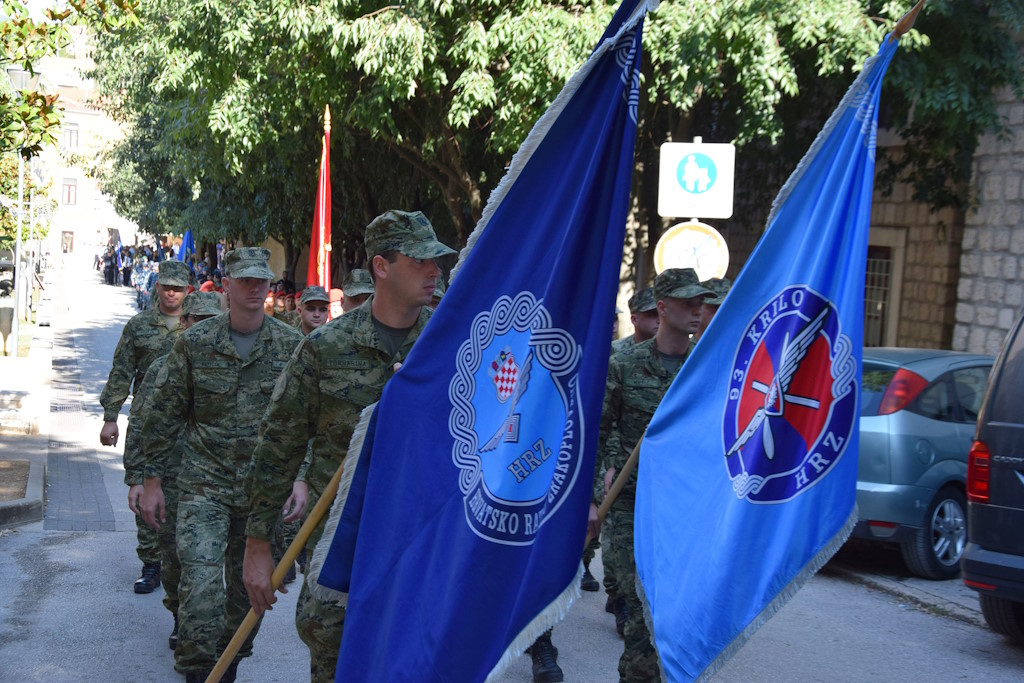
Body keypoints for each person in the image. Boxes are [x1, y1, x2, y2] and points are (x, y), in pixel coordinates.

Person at [243, 210, 454, 683]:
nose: (434, 271)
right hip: (343, 539)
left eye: (436, 261)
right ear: (382, 266)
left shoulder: (452, 347)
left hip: (424, 538)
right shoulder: (326, 348)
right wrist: (258, 544)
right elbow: (278, 446)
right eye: (420, 260)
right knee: (336, 658)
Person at [139, 248, 303, 683]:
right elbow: (165, 414)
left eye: (261, 282)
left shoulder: (291, 347)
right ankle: (197, 671)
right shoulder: (194, 343)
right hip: (203, 486)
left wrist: (300, 479)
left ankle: (228, 664)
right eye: (244, 280)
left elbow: (304, 422)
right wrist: (151, 480)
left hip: (260, 494)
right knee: (201, 588)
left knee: (248, 595)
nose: (254, 288)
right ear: (225, 285)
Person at [590, 268, 712, 683]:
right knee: (641, 611)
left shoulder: (706, 368)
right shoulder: (623, 364)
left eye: (700, 303)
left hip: (684, 508)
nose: (697, 310)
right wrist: (592, 497)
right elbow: (598, 430)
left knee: (676, 616)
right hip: (630, 504)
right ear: (662, 307)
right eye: (687, 303)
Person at [124, 291, 225, 651]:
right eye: (200, 321)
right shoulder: (162, 367)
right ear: (184, 323)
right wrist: (137, 478)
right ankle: (180, 616)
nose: (207, 329)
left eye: (214, 321)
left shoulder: (230, 366)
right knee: (173, 558)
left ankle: (205, 627)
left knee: (207, 559)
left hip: (214, 481)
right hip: (169, 478)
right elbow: (141, 425)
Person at [99, 259, 191, 594]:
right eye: (166, 286)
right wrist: (111, 416)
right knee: (140, 485)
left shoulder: (199, 325)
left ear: (187, 290)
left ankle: (180, 562)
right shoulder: (139, 326)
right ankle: (151, 563)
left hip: (186, 424)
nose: (171, 292)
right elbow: (122, 370)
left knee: (181, 491)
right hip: (145, 419)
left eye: (178, 288)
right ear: (157, 286)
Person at [612, 287, 658, 353]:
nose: (660, 320)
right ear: (634, 319)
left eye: (663, 314)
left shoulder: (674, 348)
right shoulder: (614, 349)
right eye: (653, 315)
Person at [690, 277, 731, 345]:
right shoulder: (683, 352)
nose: (720, 313)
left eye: (726, 308)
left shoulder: (736, 349)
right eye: (714, 307)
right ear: (698, 308)